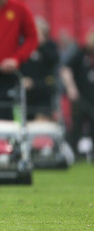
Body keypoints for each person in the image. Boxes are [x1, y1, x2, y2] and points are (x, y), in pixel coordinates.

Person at [60, 28, 94, 156]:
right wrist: (71, 88)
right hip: (81, 97)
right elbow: (65, 69)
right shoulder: (80, 53)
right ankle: (73, 152)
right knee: (77, 125)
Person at [20, 16, 60, 121]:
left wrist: (40, 44)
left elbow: (53, 61)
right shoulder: (24, 45)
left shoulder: (50, 47)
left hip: (43, 92)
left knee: (40, 123)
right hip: (26, 95)